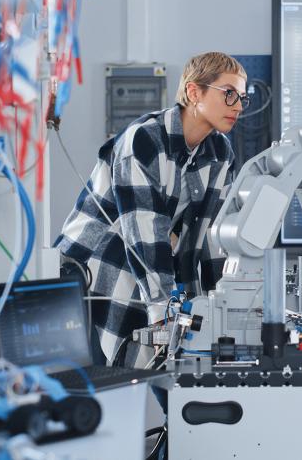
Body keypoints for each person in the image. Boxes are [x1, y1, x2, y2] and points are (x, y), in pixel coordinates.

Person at [55, 52, 247, 365]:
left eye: (241, 97)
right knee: (102, 388)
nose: (238, 106)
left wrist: (220, 307)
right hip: (91, 272)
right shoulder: (144, 139)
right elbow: (144, 228)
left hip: (145, 272)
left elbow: (210, 237)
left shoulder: (220, 153)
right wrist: (162, 308)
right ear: (194, 92)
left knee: (166, 376)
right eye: (228, 94)